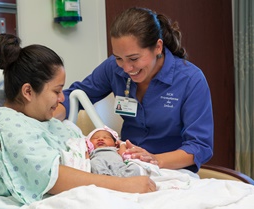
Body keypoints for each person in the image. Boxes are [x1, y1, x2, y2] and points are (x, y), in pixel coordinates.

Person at [0, 34, 155, 205]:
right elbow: (52, 176)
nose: (62, 99)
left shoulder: (38, 119)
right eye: (56, 91)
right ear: (28, 91)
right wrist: (124, 185)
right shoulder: (8, 128)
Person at [54, 7, 214, 173]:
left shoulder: (190, 79)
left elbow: (199, 146)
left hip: (171, 169)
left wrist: (155, 159)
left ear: (158, 47)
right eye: (118, 58)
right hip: (126, 166)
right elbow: (74, 96)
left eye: (134, 58)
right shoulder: (113, 69)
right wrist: (44, 116)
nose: (126, 68)